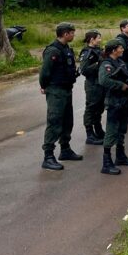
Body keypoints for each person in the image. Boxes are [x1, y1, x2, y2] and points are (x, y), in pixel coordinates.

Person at [39, 22, 82, 170]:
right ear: (65, 34)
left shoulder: (66, 48)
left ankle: (65, 149)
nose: (73, 35)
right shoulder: (53, 50)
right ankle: (48, 156)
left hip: (66, 89)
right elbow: (45, 72)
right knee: (54, 121)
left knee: (67, 121)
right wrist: (44, 86)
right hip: (56, 90)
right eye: (72, 33)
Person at [98, 40, 128, 175]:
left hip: (124, 101)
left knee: (122, 130)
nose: (122, 49)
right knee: (111, 131)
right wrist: (121, 86)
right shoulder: (107, 64)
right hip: (114, 102)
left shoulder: (120, 62)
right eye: (120, 48)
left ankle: (120, 156)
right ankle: (106, 163)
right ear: (114, 50)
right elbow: (103, 80)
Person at [79, 30, 105, 145]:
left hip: (100, 83)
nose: (100, 40)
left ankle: (98, 129)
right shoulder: (87, 52)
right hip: (93, 84)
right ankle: (89, 134)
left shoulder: (98, 50)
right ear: (91, 39)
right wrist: (98, 64)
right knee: (91, 108)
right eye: (98, 38)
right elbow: (84, 70)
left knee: (99, 108)